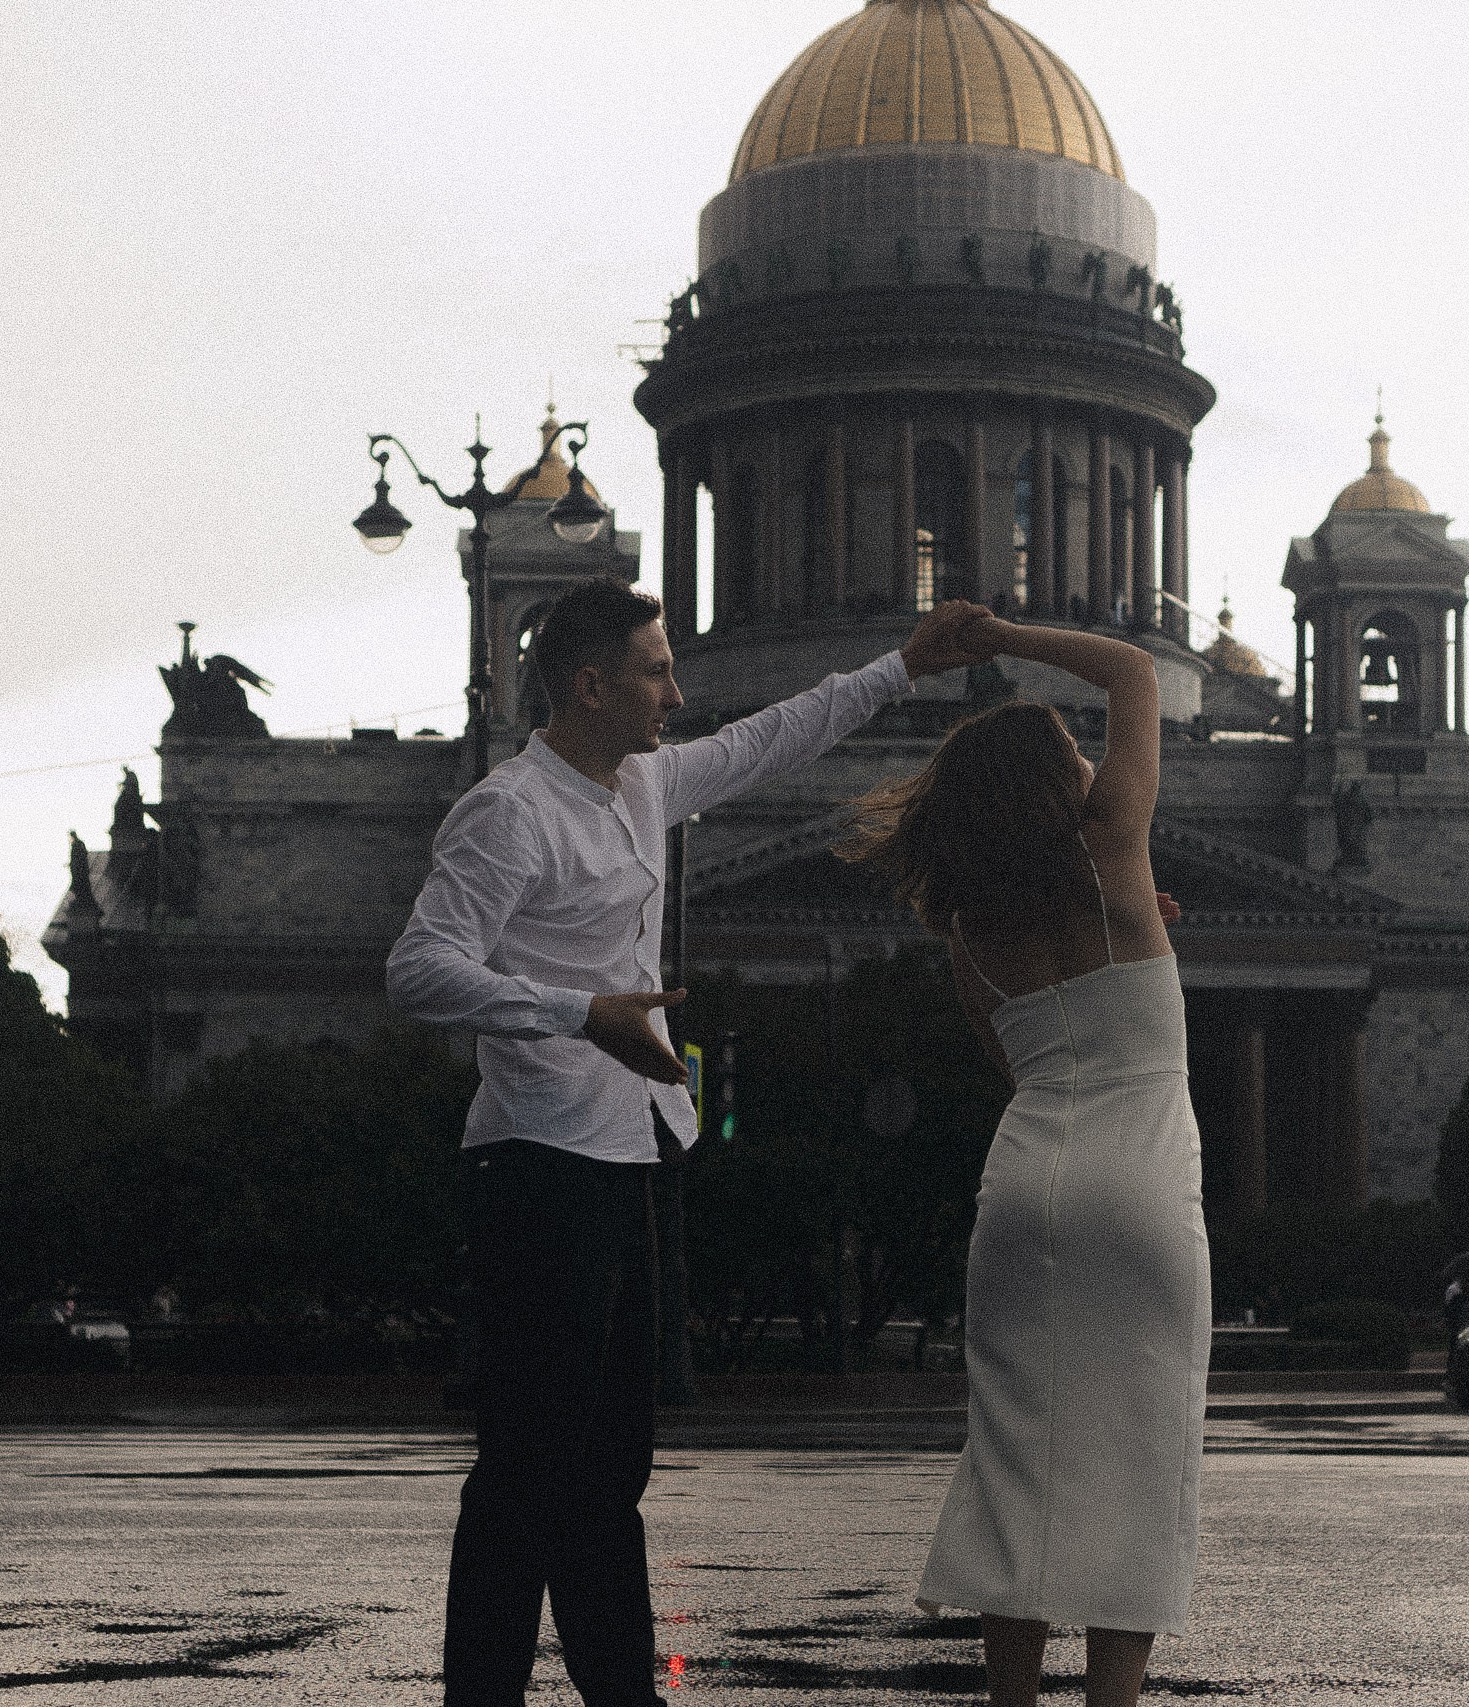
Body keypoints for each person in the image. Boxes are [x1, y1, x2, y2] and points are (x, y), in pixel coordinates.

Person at [387, 576, 991, 1707]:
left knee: (611, 1468)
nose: (676, 692)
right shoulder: (510, 810)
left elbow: (773, 737)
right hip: (537, 1163)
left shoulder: (646, 782)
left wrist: (904, 665)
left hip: (630, 1154)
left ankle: (625, 1692)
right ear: (591, 686)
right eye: (657, 671)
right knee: (524, 1469)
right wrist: (581, 1014)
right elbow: (418, 969)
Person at [837, 617, 1211, 1707]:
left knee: (1017, 1458)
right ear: (1057, 781)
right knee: (1142, 1457)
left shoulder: (969, 931)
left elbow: (1023, 1068)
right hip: (1139, 1184)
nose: (1092, 763)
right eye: (1075, 753)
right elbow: (1134, 669)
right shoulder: (1114, 851)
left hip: (1024, 1188)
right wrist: (997, 631)